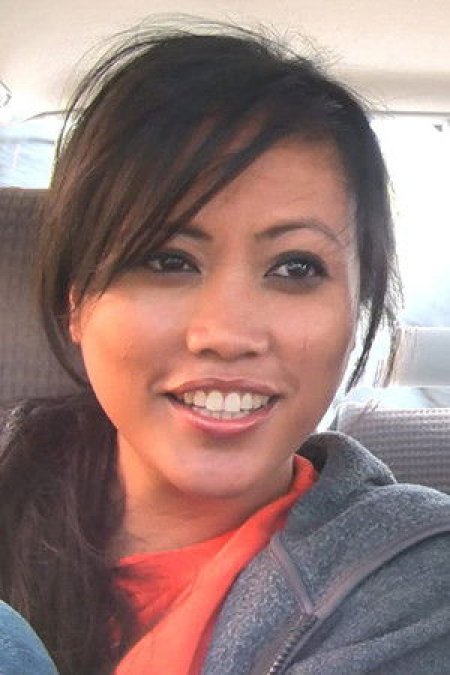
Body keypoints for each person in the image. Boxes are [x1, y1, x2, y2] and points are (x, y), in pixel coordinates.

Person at [1, 20, 450, 675]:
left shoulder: (413, 584)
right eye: (167, 260)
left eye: (295, 267)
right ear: (77, 302)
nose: (228, 334)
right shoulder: (17, 480)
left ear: (357, 312)